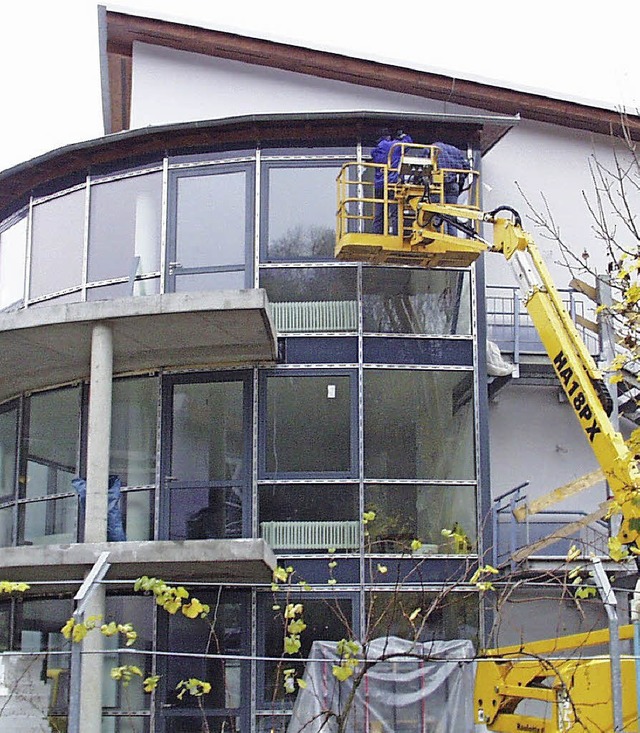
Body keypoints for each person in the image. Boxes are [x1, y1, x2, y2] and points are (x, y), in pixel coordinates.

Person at [432, 141, 470, 235]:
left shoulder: (432, 149)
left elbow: (423, 166)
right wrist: (460, 182)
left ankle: (439, 238)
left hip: (437, 186)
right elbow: (467, 167)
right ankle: (452, 238)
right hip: (453, 185)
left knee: (438, 214)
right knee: (451, 215)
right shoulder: (455, 150)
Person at [371, 128, 393, 234]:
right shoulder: (394, 146)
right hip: (392, 184)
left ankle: (378, 233)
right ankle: (396, 233)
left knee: (379, 213)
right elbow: (408, 142)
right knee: (395, 213)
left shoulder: (376, 151)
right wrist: (403, 135)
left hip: (379, 185)